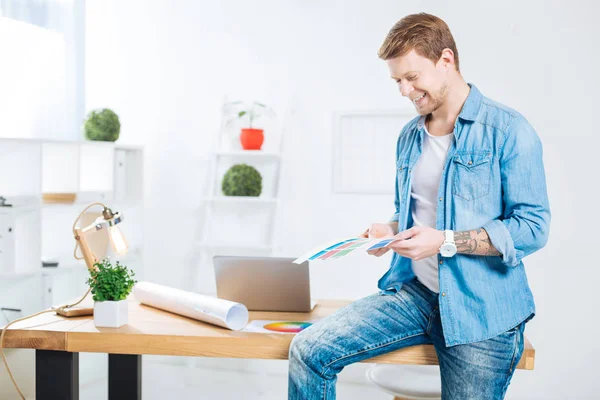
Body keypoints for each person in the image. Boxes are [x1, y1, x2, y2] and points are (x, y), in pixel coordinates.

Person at [288, 12, 550, 400]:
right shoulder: (409, 137)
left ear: (446, 60)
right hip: (415, 294)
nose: (404, 91)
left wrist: (444, 241)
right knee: (308, 351)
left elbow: (533, 227)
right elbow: (412, 212)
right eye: (397, 81)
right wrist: (389, 230)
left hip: (482, 313)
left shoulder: (508, 130)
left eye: (412, 77)